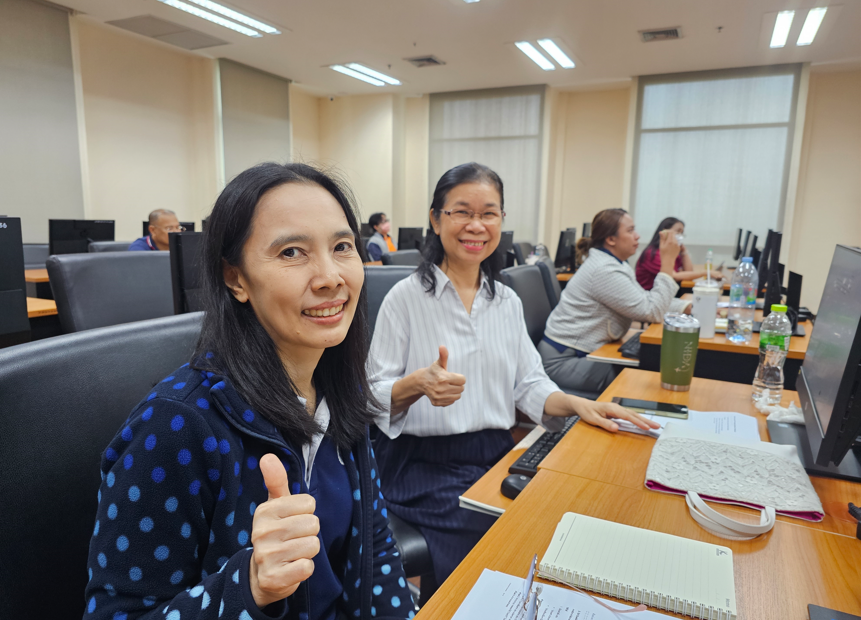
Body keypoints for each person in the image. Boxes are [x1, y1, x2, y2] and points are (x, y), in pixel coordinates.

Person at [85, 163, 412, 620]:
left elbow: (374, 548)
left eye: (342, 247)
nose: (330, 277)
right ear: (235, 278)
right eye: (292, 252)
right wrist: (249, 586)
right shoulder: (176, 425)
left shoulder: (340, 389)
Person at [367, 163, 658, 587]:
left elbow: (529, 384)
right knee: (501, 536)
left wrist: (579, 405)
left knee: (561, 509)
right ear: (436, 219)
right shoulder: (405, 298)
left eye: (489, 213)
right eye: (462, 212)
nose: (476, 225)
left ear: (501, 221)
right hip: (422, 465)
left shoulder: (505, 300)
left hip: (494, 453)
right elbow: (370, 394)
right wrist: (415, 386)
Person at [542, 209, 692, 395]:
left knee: (652, 367)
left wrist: (687, 307)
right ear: (611, 239)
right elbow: (652, 311)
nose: (637, 236)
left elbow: (644, 300)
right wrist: (668, 261)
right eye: (630, 231)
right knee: (645, 379)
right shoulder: (604, 270)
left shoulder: (616, 263)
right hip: (563, 361)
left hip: (585, 352)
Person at [635, 217, 724, 290]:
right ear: (664, 232)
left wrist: (683, 251)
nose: (680, 236)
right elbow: (674, 276)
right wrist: (705, 272)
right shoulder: (653, 253)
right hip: (650, 296)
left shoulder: (672, 253)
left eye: (682, 233)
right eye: (678, 231)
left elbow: (688, 272)